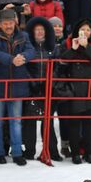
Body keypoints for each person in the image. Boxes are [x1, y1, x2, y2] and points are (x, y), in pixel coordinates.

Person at [0, 9, 36, 165]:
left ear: (15, 22)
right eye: (5, 23)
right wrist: (12, 59)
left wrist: (24, 57)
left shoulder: (23, 35)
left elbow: (31, 50)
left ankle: (16, 153)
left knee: (16, 120)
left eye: (11, 23)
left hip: (18, 84)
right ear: (0, 24)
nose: (9, 26)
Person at [60, 19, 91, 164]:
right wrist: (74, 48)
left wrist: (86, 46)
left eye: (88, 30)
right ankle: (75, 154)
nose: (85, 32)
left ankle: (89, 153)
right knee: (74, 123)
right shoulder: (69, 43)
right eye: (83, 30)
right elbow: (62, 62)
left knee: (89, 123)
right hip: (75, 88)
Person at [22, 16, 62, 162]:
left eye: (42, 30)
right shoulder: (27, 47)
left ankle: (52, 150)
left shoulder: (53, 48)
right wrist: (32, 83)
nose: (39, 32)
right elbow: (24, 67)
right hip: (32, 88)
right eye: (36, 30)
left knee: (48, 121)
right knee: (30, 121)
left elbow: (57, 67)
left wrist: (49, 82)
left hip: (48, 88)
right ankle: (29, 150)